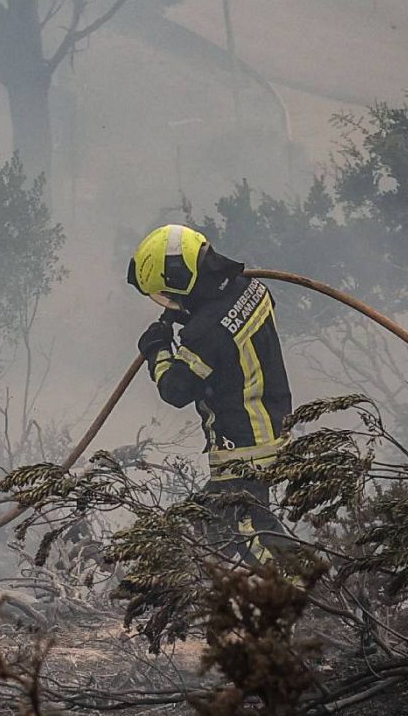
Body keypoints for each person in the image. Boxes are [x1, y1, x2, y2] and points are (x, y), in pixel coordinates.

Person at [125, 223, 292, 567]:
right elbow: (224, 316)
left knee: (247, 531)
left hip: (243, 445)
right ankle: (201, 594)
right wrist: (184, 310)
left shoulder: (203, 335)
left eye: (166, 294)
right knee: (202, 528)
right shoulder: (252, 288)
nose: (167, 302)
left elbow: (176, 389)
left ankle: (316, 597)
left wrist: (157, 350)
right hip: (272, 423)